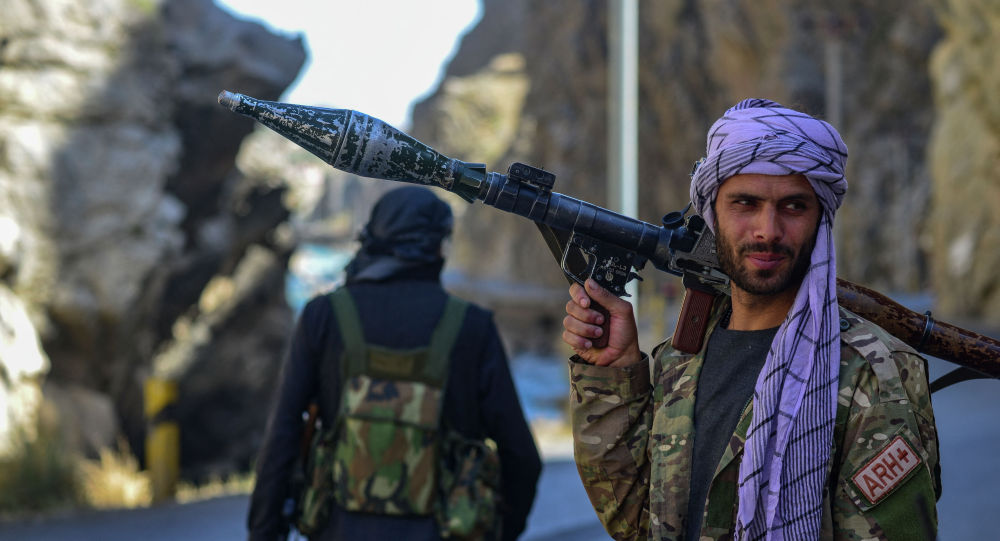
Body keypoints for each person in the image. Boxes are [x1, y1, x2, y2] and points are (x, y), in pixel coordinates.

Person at [561, 99, 940, 540]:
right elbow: (636, 521)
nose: (767, 230)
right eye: (745, 203)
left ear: (821, 220)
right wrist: (614, 371)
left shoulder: (870, 372)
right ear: (712, 214)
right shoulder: (680, 361)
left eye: (794, 207)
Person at [248, 186, 542, 541]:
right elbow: (521, 456)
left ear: (371, 238)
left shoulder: (323, 316)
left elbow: (282, 434)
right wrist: (500, 531)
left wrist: (263, 532)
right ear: (440, 247)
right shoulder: (472, 326)